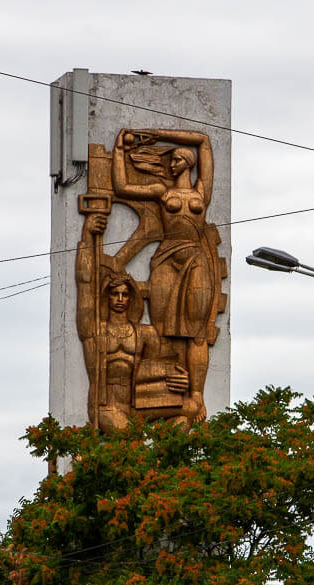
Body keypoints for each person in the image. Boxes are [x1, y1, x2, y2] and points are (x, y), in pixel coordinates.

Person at [112, 128, 223, 423]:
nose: (171, 163)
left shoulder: (201, 192)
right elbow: (122, 187)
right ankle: (166, 388)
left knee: (197, 332)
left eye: (176, 159)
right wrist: (121, 151)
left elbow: (204, 141)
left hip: (196, 259)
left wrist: (153, 133)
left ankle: (196, 395)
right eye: (170, 159)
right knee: (162, 330)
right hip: (165, 259)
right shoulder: (163, 192)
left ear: (188, 162)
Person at [76, 213, 195, 431]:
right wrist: (87, 237)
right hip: (106, 405)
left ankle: (163, 455)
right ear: (106, 296)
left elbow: (162, 370)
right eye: (114, 294)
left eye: (125, 294)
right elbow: (85, 282)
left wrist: (182, 381)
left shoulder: (145, 333)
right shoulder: (95, 330)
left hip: (139, 404)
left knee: (188, 412)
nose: (120, 299)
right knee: (128, 435)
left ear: (132, 298)